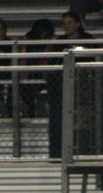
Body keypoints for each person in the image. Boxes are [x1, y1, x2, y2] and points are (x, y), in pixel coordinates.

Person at [46, 11, 93, 158]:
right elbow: (53, 65)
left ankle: (86, 153)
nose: (66, 26)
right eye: (64, 23)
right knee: (58, 122)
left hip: (84, 90)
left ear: (78, 24)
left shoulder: (89, 40)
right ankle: (57, 155)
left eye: (70, 22)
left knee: (84, 125)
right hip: (62, 90)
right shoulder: (59, 42)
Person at [19, 19, 55, 118]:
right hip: (27, 75)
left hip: (43, 75)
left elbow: (46, 62)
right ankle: (28, 113)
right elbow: (22, 61)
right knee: (23, 86)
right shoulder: (26, 42)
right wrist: (24, 72)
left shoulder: (50, 45)